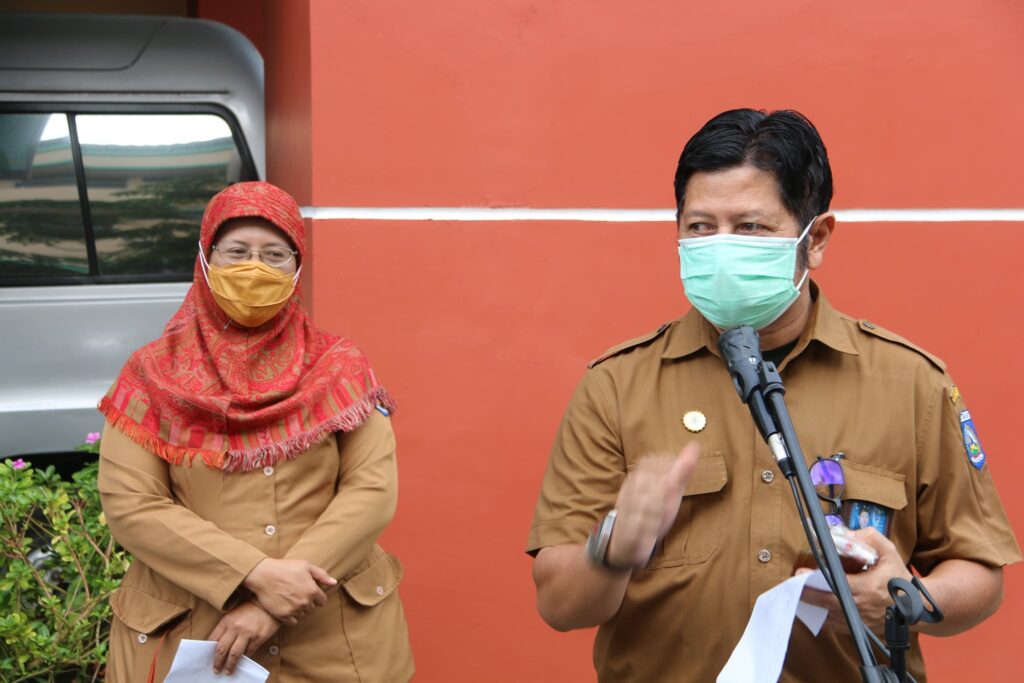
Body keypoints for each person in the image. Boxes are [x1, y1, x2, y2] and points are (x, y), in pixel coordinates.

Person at [526, 109, 1021, 682]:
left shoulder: (910, 383)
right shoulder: (616, 386)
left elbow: (980, 573)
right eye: (700, 226)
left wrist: (906, 600)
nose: (721, 247)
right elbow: (558, 604)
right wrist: (612, 549)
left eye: (750, 227)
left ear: (817, 239)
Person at [97, 182, 414, 682]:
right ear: (206, 259)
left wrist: (275, 603)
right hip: (198, 634)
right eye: (237, 252)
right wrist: (253, 574)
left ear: (297, 267)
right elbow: (132, 504)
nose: (254, 268)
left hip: (331, 642)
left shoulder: (340, 366)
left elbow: (371, 490)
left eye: (274, 255)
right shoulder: (150, 375)